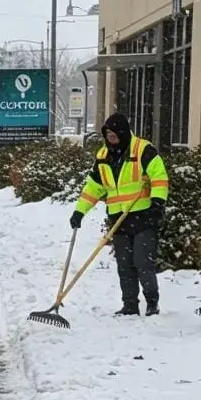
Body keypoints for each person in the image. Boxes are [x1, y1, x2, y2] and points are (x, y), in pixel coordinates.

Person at [70, 112, 169, 316]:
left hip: (143, 216)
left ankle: (152, 302)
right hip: (118, 220)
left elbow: (159, 177)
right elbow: (94, 187)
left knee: (143, 263)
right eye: (107, 135)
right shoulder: (103, 156)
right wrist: (80, 211)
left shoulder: (143, 150)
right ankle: (130, 304)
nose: (110, 139)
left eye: (114, 135)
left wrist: (157, 203)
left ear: (123, 133)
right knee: (124, 265)